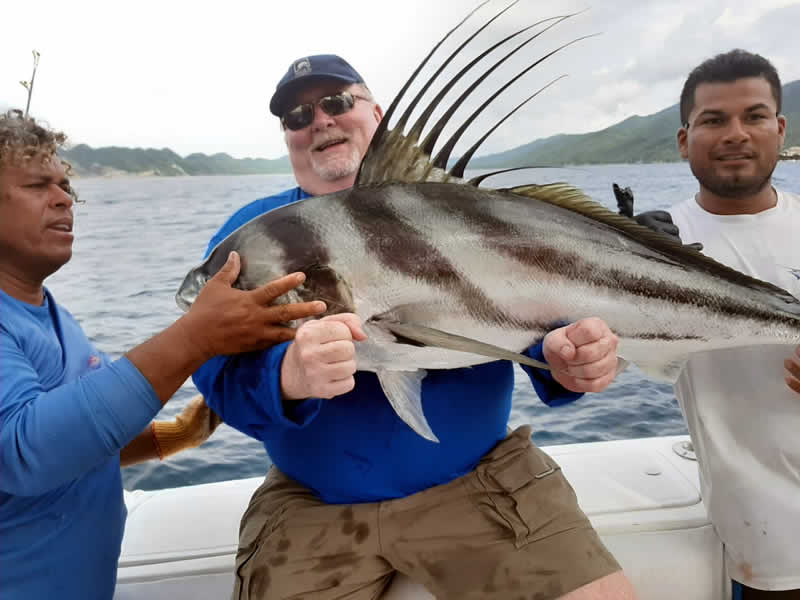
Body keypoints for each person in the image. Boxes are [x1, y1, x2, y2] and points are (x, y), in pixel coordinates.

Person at [193, 54, 638, 600]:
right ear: (287, 138)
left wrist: (567, 362)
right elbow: (212, 367)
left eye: (336, 103)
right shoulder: (250, 235)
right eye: (296, 116)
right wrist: (286, 377)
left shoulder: (468, 212)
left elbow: (546, 311)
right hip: (312, 503)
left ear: (376, 114)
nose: (319, 121)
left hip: (480, 480)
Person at [0, 109, 327, 599]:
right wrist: (196, 338)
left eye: (67, 185)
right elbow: (25, 451)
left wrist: (173, 436)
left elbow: (82, 437)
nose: (64, 198)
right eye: (37, 185)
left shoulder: (46, 312)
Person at [670, 50, 800, 599]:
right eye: (713, 120)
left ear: (780, 126)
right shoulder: (653, 241)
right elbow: (597, 359)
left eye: (754, 115)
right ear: (683, 139)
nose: (736, 134)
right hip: (771, 529)